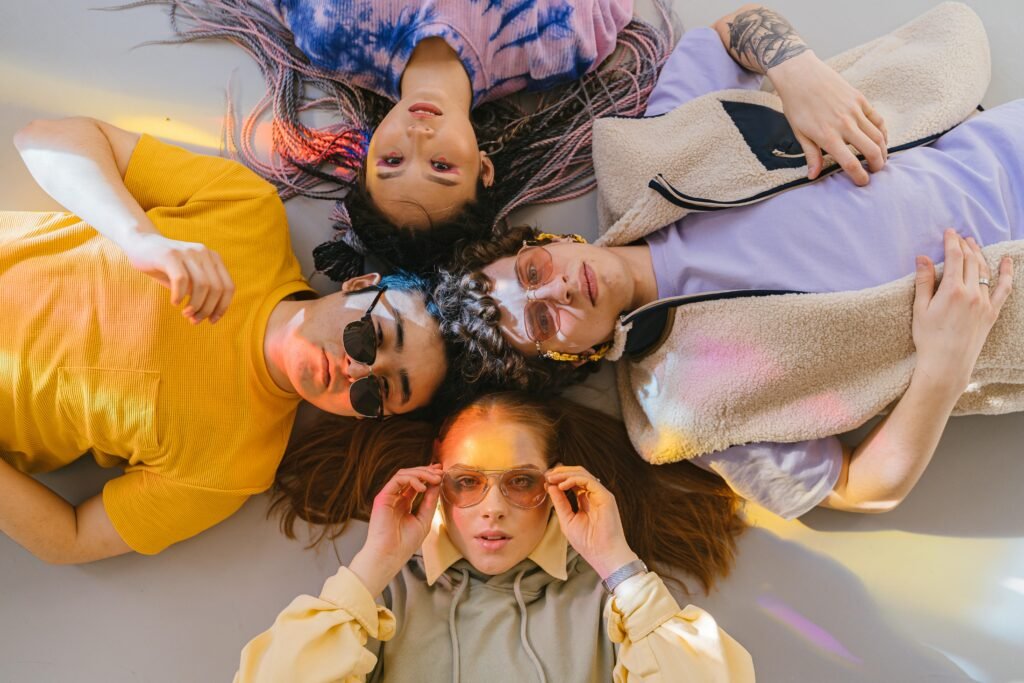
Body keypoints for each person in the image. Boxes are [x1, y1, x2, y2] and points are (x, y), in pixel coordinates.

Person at [434, 5, 1024, 519]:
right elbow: (856, 490)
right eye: (540, 322)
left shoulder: (642, 160)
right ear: (567, 362)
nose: (558, 288)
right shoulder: (682, 413)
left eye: (533, 272)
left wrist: (799, 75)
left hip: (1002, 149)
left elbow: (728, 31)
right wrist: (946, 366)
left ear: (543, 241)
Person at [0, 117, 451, 564]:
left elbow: (71, 538)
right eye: (370, 337)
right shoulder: (248, 210)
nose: (355, 371)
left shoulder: (236, 468)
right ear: (359, 285)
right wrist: (137, 237)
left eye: (378, 391)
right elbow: (43, 137)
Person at [234, 392, 754, 682]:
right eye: (468, 482)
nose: (493, 510)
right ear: (437, 481)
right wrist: (375, 562)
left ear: (556, 483)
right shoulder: (386, 596)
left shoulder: (606, 600)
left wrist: (617, 561)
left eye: (521, 482)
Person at [134, 0, 673, 279]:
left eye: (391, 160)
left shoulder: (332, 33)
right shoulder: (561, 45)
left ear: (365, 153)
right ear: (485, 170)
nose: (420, 134)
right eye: (442, 166)